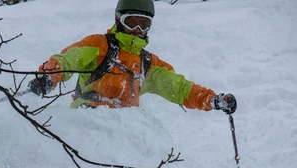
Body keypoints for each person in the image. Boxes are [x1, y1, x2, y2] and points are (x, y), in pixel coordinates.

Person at [28, 0, 236, 114]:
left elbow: (179, 87)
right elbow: (67, 60)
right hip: (87, 121)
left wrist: (211, 100)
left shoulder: (147, 63)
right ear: (119, 20)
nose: (137, 30)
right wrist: (48, 77)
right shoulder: (99, 45)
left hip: (124, 132)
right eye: (132, 22)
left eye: (144, 25)